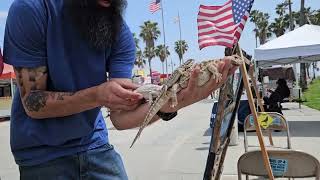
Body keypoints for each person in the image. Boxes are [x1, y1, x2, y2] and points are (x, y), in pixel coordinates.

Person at [3, 0, 237, 179]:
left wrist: (174, 104)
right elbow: (33, 103)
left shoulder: (118, 32)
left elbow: (121, 118)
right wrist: (97, 94)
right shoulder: (32, 9)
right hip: (42, 155)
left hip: (94, 145)